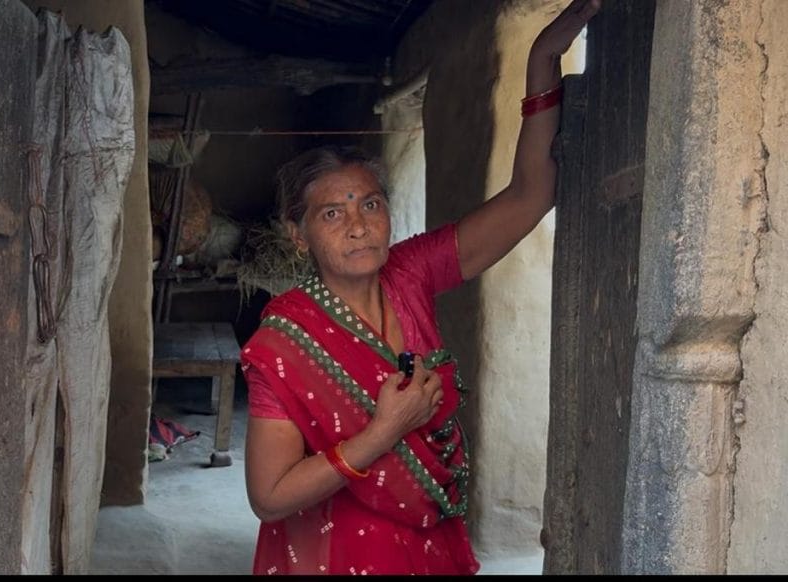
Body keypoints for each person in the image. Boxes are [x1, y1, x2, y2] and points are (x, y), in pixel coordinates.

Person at [239, 0, 601, 575]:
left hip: (431, 543)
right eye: (332, 214)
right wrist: (386, 429)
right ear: (298, 235)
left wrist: (543, 57)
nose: (358, 224)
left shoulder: (412, 271)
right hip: (340, 553)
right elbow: (270, 496)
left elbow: (529, 197)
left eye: (371, 204)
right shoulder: (285, 340)